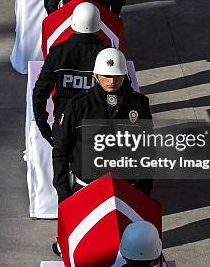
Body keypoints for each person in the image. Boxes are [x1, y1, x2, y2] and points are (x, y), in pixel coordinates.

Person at [53, 48, 152, 204]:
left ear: (125, 76)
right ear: (96, 75)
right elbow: (61, 151)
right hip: (86, 188)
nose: (111, 81)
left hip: (126, 188)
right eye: (106, 76)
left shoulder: (139, 104)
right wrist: (63, 193)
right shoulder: (78, 106)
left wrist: (144, 191)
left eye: (117, 76)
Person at [33, 2, 105, 146]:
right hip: (97, 128)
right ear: (98, 25)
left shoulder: (57, 53)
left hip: (64, 124)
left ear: (72, 23)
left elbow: (40, 93)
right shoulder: (106, 55)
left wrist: (44, 127)